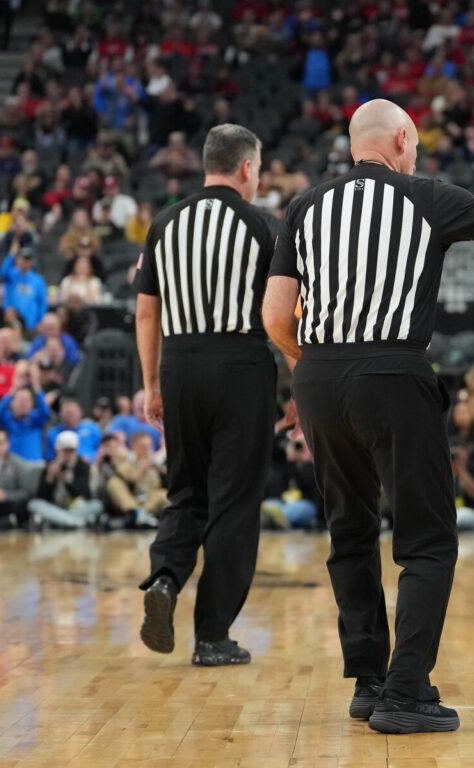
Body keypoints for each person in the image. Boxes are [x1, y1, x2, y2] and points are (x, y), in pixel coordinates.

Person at [262, 99, 474, 734]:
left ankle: (370, 681)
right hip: (394, 372)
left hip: (316, 375)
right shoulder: (426, 195)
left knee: (350, 531)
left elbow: (274, 314)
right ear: (402, 139)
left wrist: (313, 366)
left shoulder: (304, 204)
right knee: (427, 539)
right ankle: (406, 690)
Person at [135, 124, 278, 667]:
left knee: (186, 491)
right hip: (242, 365)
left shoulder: (164, 223)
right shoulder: (263, 226)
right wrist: (294, 385)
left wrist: (152, 384)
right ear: (247, 167)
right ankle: (213, 636)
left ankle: (166, 577)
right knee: (235, 504)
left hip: (180, 365)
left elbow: (147, 312)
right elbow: (280, 312)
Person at [28, 431, 104, 529]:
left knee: (97, 505)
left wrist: (68, 482)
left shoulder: (83, 466)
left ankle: (63, 521)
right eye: (65, 451)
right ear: (57, 450)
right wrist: (49, 478)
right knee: (34, 504)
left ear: (76, 450)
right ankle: (73, 522)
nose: (68, 454)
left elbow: (85, 494)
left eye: (71, 451)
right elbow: (41, 496)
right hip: (54, 507)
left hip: (76, 508)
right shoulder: (50, 465)